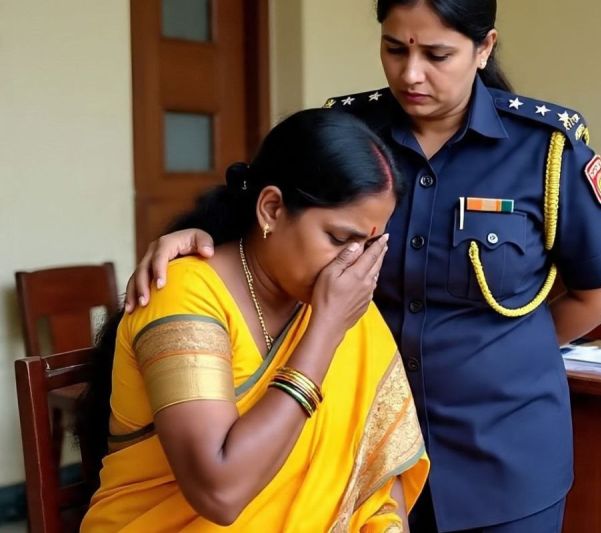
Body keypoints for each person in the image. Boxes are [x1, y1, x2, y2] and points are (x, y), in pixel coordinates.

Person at [126, 1, 601, 531]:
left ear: (484, 48)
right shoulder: (351, 132)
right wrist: (199, 238)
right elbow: (269, 222)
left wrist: (501, 353)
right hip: (352, 439)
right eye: (394, 49)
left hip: (502, 451)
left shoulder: (544, 148)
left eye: (437, 55)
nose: (410, 74)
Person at [78, 109, 429, 532]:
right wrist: (325, 331)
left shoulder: (344, 305)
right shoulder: (185, 295)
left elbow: (380, 478)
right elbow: (220, 493)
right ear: (272, 209)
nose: (354, 263)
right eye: (339, 239)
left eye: (370, 246)